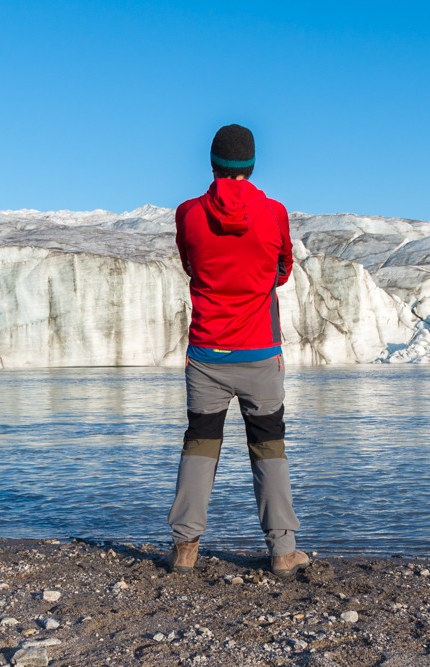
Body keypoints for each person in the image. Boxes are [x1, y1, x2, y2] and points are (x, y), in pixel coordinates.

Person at [164, 123, 309, 578]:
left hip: (207, 353)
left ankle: (185, 548)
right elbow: (282, 269)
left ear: (212, 163)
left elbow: (191, 265)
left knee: (199, 445)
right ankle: (283, 552)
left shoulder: (188, 214)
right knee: (269, 447)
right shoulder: (274, 213)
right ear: (251, 164)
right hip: (260, 354)